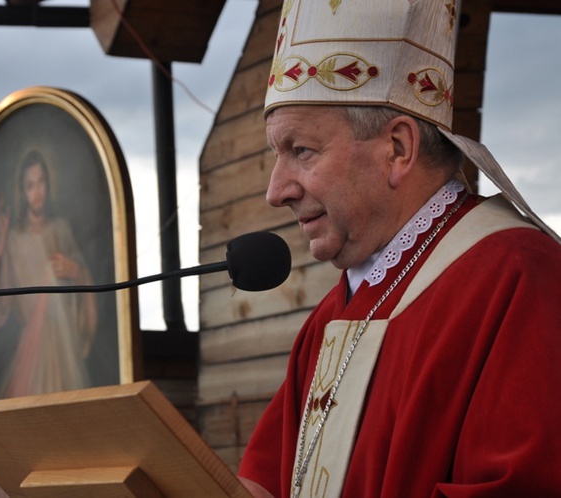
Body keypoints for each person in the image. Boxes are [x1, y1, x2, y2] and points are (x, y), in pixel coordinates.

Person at [237, 1, 561, 497]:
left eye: (301, 150)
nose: (276, 190)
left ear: (398, 149)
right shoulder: (331, 317)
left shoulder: (521, 277)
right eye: (276, 155)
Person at [0, 148, 98, 398]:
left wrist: (75, 270)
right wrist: (1, 237)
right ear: (22, 192)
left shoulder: (60, 229)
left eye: (41, 182)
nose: (37, 191)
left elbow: (83, 275)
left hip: (62, 340)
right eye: (30, 185)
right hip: (31, 348)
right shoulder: (13, 238)